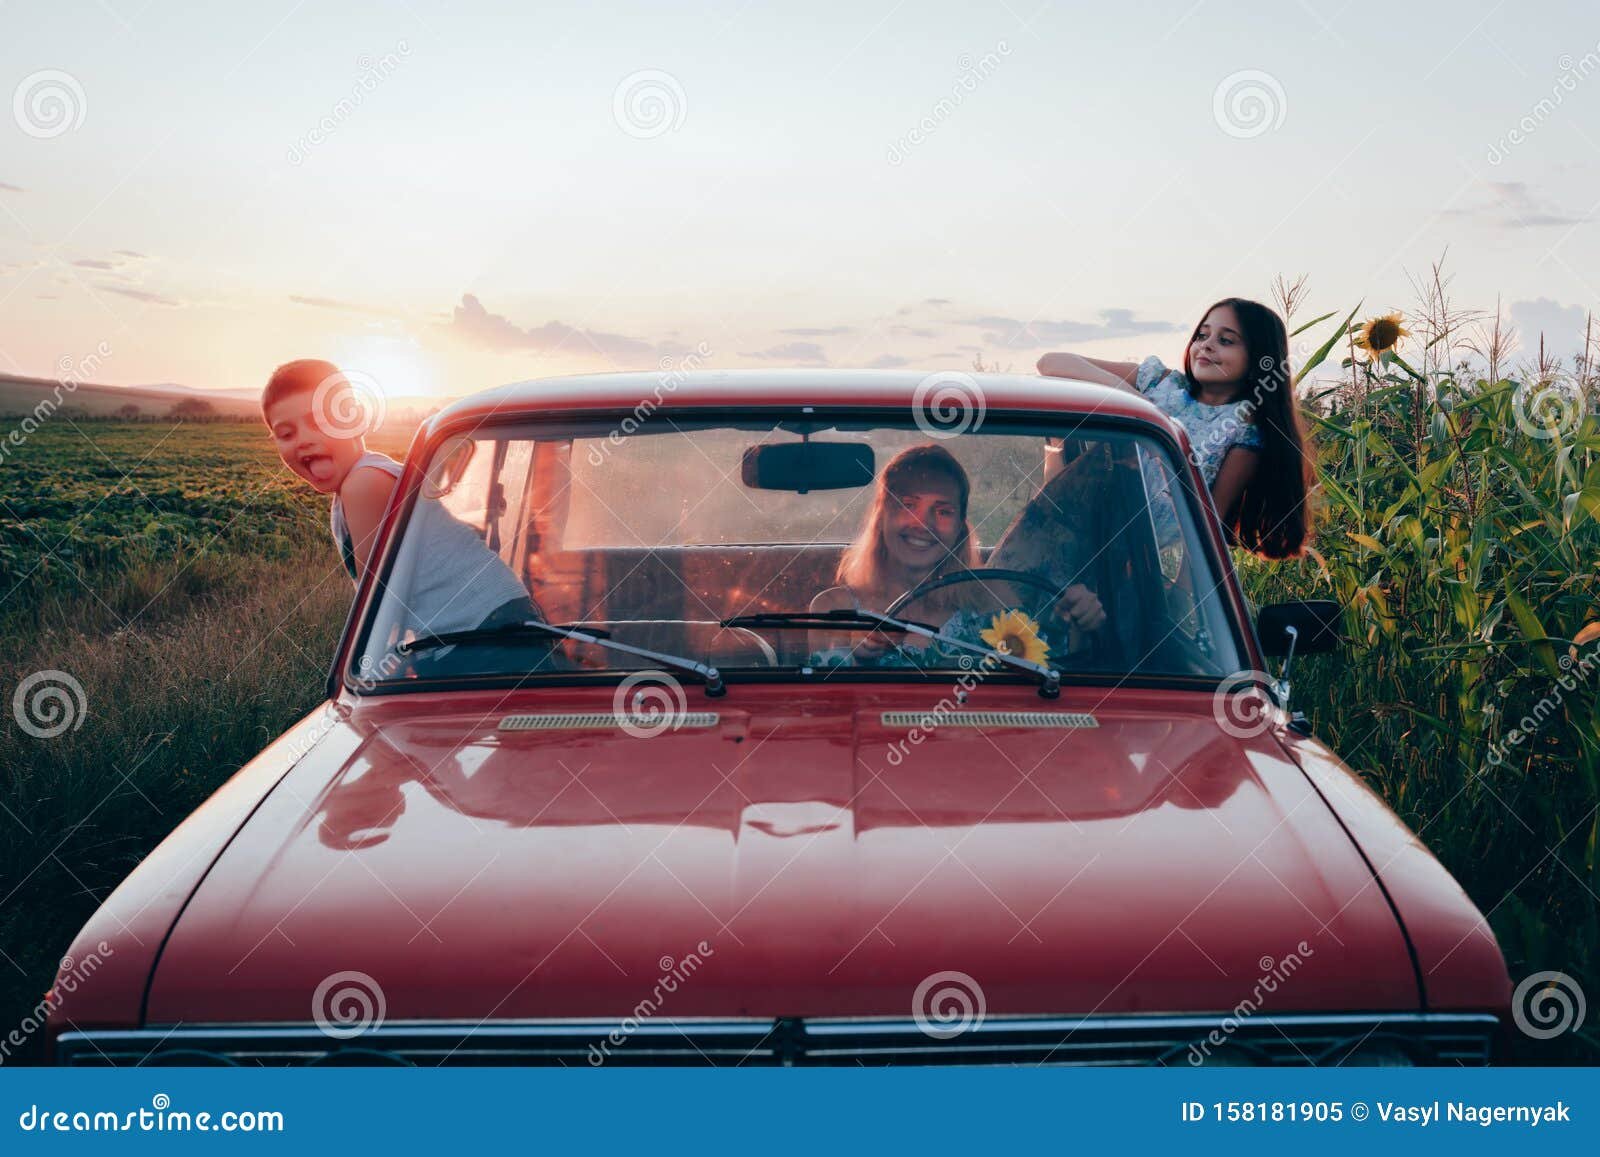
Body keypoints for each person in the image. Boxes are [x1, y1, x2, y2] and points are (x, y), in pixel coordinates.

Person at [261, 359, 541, 659]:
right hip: (492, 617)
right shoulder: (364, 478)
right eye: (286, 434)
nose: (303, 440)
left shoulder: (364, 483)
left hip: (486, 624)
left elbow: (379, 599)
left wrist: (372, 666)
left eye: (318, 422)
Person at [1037, 297, 1313, 559]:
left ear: (1257, 360)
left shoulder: (1242, 431)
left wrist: (1181, 598)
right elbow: (1051, 363)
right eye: (1202, 335)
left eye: (1226, 340)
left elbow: (1206, 528)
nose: (1206, 345)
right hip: (1061, 526)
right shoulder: (1159, 383)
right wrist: (1140, 404)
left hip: (1127, 560)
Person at [809, 443, 1104, 666]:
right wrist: (851, 648)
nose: (923, 524)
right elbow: (823, 713)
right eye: (907, 504)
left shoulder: (994, 600)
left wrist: (1079, 622)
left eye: (943, 511)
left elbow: (1044, 680)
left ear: (961, 527)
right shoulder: (835, 609)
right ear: (881, 516)